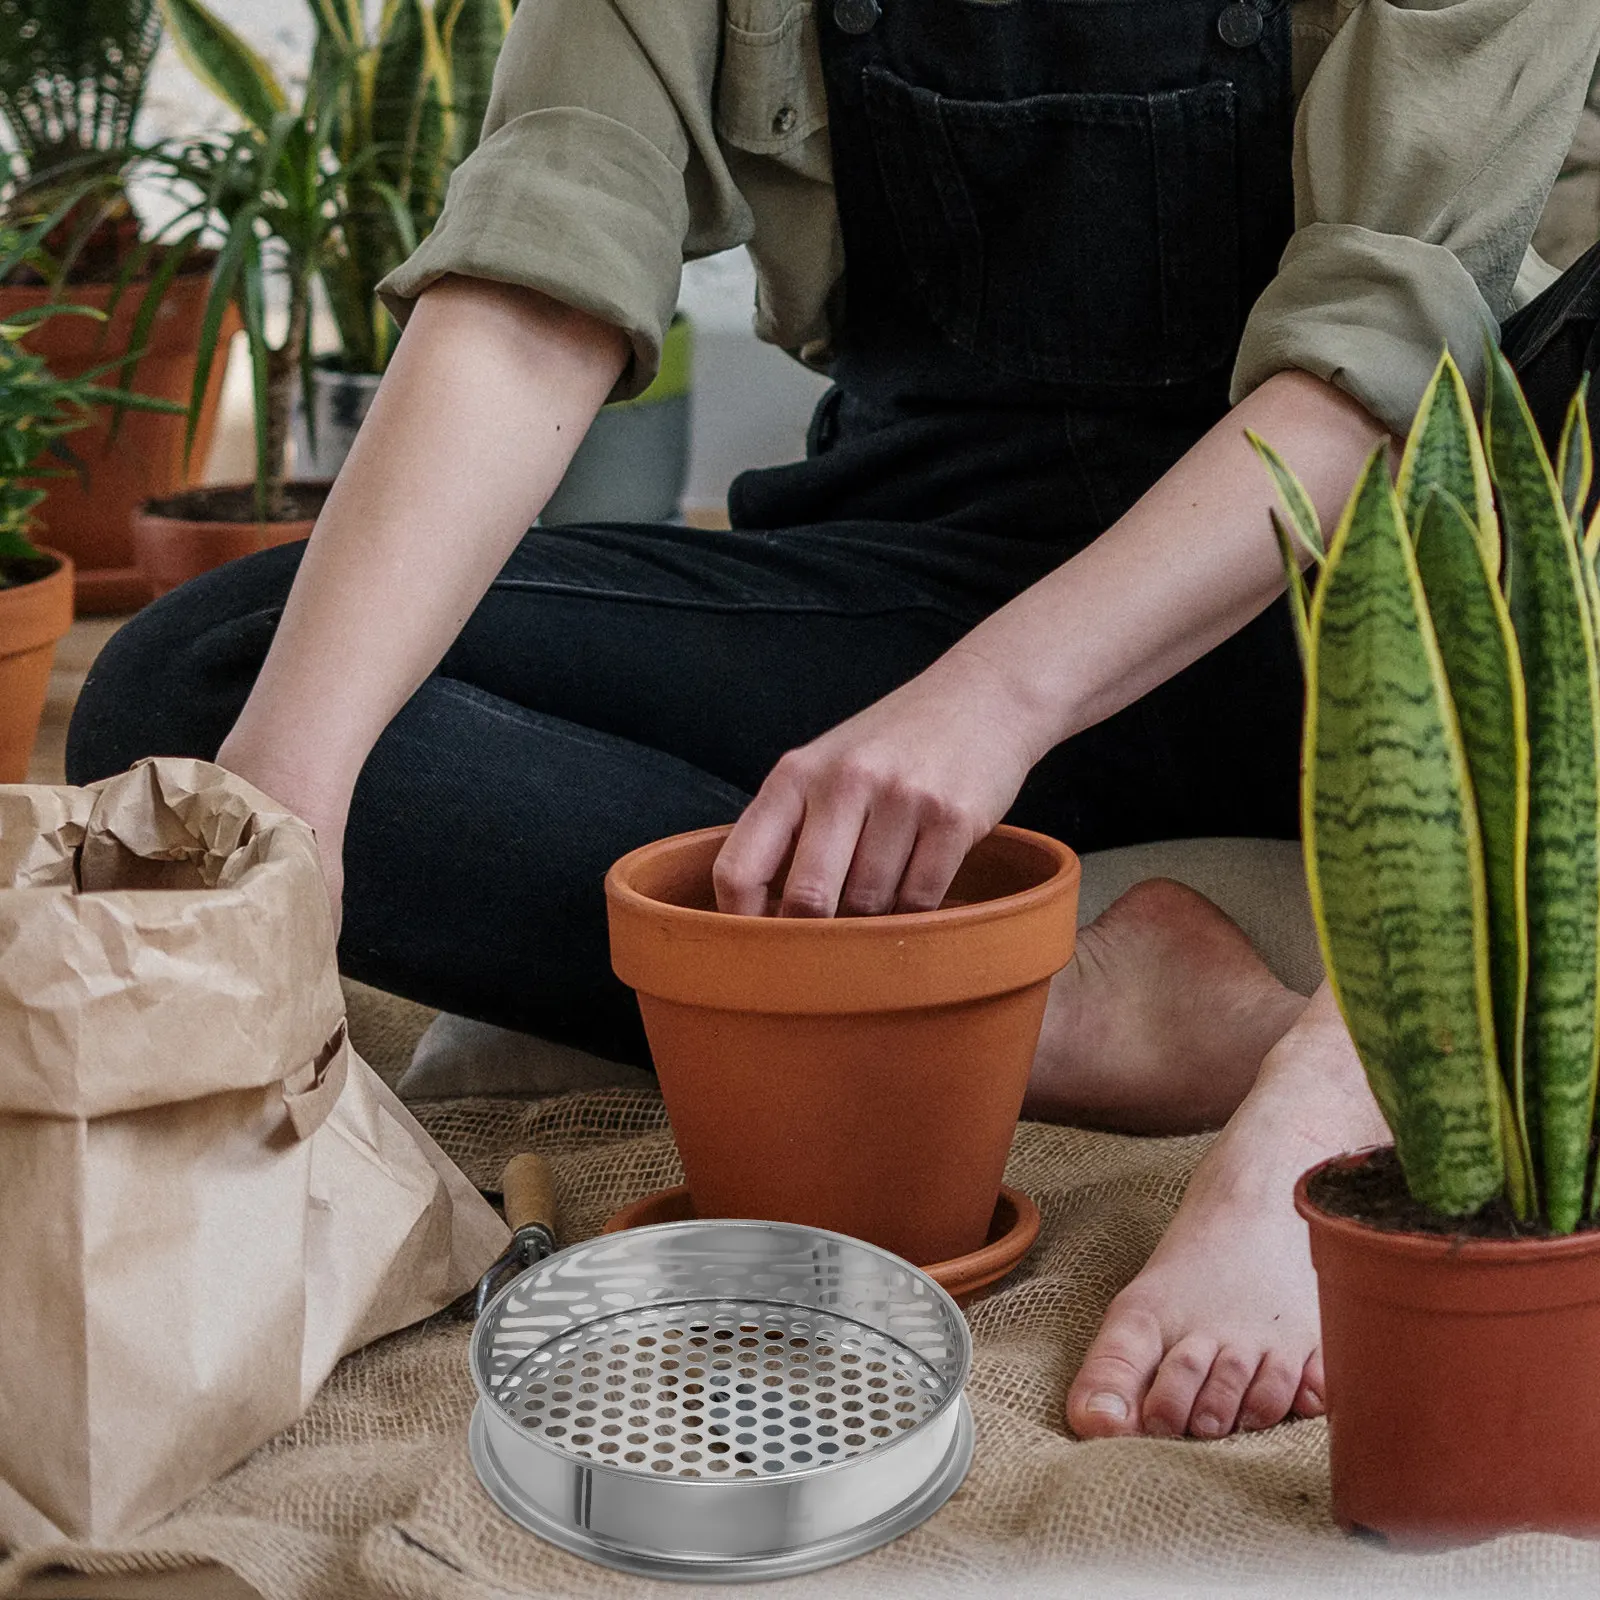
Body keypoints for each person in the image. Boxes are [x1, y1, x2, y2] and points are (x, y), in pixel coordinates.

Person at [67, 0, 1600, 1441]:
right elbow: (538, 275)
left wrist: (991, 703)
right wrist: (288, 804)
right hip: (931, 554)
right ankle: (1056, 1022)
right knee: (202, 697)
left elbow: (1376, 357)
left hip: (1403, 608)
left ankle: (1346, 1074)